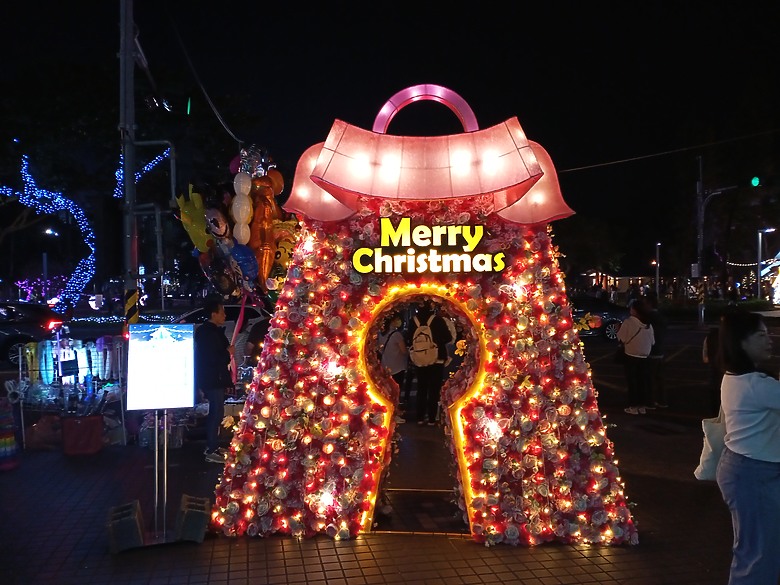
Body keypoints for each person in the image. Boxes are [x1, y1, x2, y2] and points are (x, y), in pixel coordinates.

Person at [716, 310, 780, 584]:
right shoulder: (756, 385)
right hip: (753, 472)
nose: (770, 340)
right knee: (757, 554)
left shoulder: (736, 377)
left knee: (753, 548)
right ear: (742, 342)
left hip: (743, 468)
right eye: (761, 335)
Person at [194, 297, 234, 463]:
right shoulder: (207, 333)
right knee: (216, 412)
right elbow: (212, 357)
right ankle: (211, 449)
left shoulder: (213, 331)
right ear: (213, 314)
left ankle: (214, 446)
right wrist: (228, 353)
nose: (224, 314)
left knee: (218, 412)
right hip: (211, 377)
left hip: (215, 376)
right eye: (222, 311)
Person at [409, 301, 453, 425]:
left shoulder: (414, 321)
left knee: (421, 388)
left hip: (420, 359)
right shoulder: (438, 320)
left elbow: (408, 337)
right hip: (437, 359)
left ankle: (420, 417)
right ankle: (432, 418)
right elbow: (448, 338)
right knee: (434, 389)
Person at [617, 298, 655, 415]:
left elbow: (621, 338)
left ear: (634, 310)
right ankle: (642, 406)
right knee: (642, 382)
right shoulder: (648, 324)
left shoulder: (628, 322)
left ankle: (633, 406)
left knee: (632, 382)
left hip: (631, 356)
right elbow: (653, 342)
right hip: (645, 357)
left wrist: (618, 329)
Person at [377, 312, 408, 403]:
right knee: (397, 389)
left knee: (388, 390)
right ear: (393, 321)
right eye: (397, 319)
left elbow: (379, 349)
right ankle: (396, 407)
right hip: (397, 367)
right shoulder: (396, 335)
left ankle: (390, 406)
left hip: (385, 366)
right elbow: (404, 351)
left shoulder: (381, 334)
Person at [644, 291, 668, 409]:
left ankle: (651, 401)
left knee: (650, 378)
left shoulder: (648, 318)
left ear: (649, 304)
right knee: (660, 378)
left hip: (651, 351)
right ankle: (662, 401)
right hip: (661, 350)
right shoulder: (661, 317)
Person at [702, 325, 722, 417]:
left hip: (713, 371)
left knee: (714, 395)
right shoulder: (729, 338)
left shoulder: (709, 337)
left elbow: (705, 358)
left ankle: (715, 416)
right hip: (725, 372)